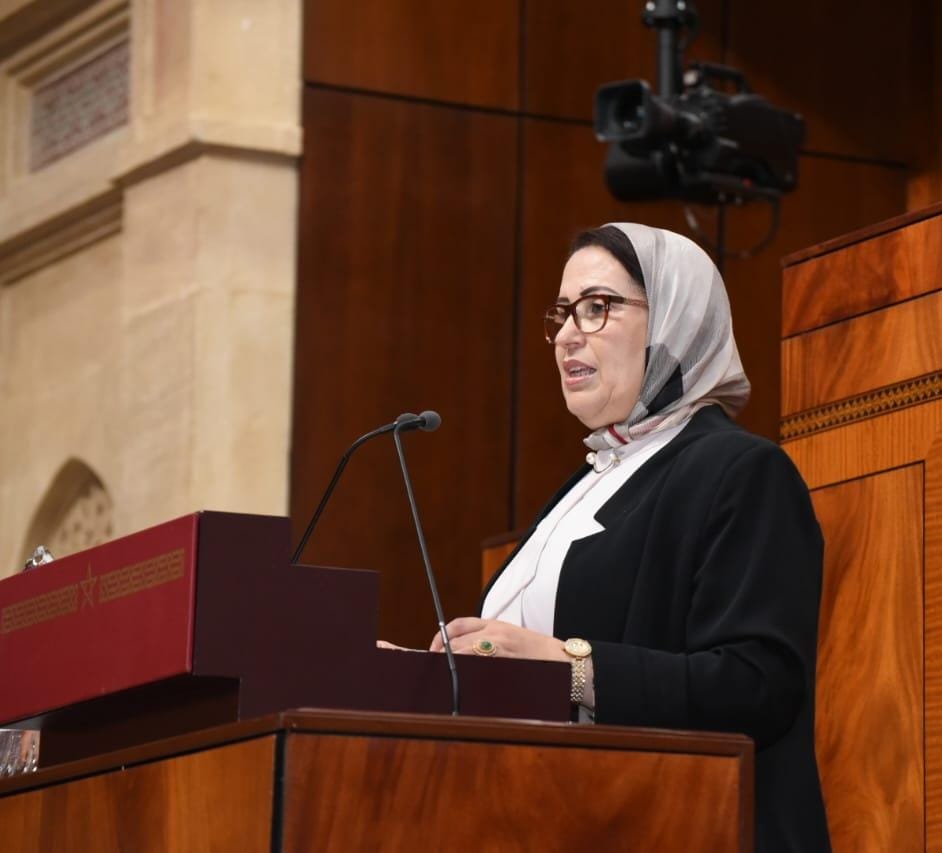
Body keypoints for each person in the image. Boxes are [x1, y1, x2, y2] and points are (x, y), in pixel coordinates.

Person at [430, 223, 831, 851]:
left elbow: (758, 686)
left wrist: (570, 667)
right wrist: (420, 675)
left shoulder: (742, 471)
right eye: (562, 313)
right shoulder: (585, 484)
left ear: (674, 318)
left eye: (597, 307)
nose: (568, 334)